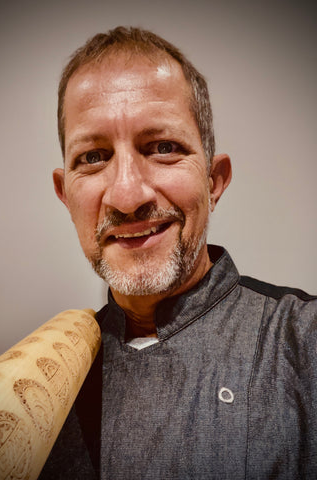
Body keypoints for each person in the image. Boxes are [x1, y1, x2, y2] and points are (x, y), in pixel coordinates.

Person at [40, 26, 317, 479]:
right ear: (65, 193)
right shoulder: (42, 381)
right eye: (92, 157)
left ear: (214, 181)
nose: (127, 195)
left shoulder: (304, 344)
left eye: (163, 148)